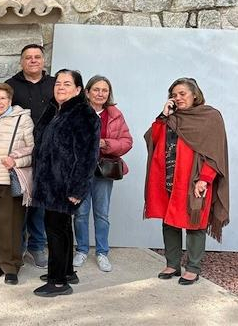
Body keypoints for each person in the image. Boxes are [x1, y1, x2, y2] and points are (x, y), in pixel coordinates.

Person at [144, 78, 229, 285]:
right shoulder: (170, 118)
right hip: (168, 178)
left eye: (182, 93)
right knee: (169, 221)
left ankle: (193, 267)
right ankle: (172, 264)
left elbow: (214, 152)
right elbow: (153, 139)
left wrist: (205, 179)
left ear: (194, 95)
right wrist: (163, 116)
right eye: (174, 94)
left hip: (193, 179)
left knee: (194, 221)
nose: (178, 98)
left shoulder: (210, 117)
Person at [31, 69, 100, 297]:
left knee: (56, 231)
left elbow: (88, 156)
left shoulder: (83, 114)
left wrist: (77, 189)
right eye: (58, 83)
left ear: (79, 90)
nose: (60, 87)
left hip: (64, 185)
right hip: (49, 183)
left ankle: (58, 282)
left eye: (67, 84)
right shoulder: (56, 110)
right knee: (61, 228)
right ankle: (68, 272)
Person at [73, 76, 133, 273]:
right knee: (81, 213)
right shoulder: (77, 111)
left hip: (103, 171)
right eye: (96, 89)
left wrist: (106, 143)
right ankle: (81, 250)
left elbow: (126, 141)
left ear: (109, 93)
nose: (100, 93)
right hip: (80, 171)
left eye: (104, 90)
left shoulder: (115, 114)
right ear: (87, 92)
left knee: (101, 213)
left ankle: (102, 252)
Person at [5, 43, 55, 269]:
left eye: (37, 57)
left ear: (43, 60)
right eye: (28, 57)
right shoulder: (11, 86)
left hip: (48, 153)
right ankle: (20, 245)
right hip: (20, 155)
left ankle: (37, 245)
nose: (33, 60)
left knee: (40, 202)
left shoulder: (55, 85)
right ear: (21, 62)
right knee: (20, 200)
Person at [0, 83, 34, 285]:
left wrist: (16, 162)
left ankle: (11, 265)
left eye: (2, 98)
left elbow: (33, 149)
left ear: (10, 100)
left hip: (10, 179)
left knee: (9, 224)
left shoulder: (22, 119)